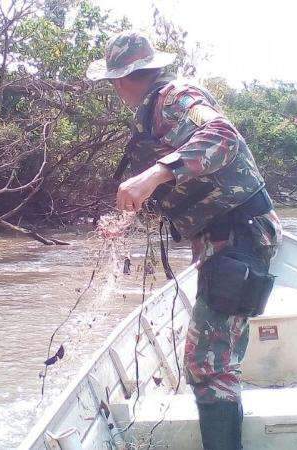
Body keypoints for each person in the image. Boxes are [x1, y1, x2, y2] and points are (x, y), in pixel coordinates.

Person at [87, 31, 282, 450]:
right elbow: (189, 189)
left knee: (206, 365)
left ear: (121, 80)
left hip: (241, 234)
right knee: (212, 361)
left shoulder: (177, 96)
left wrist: (155, 173)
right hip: (225, 239)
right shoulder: (154, 113)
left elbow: (222, 136)